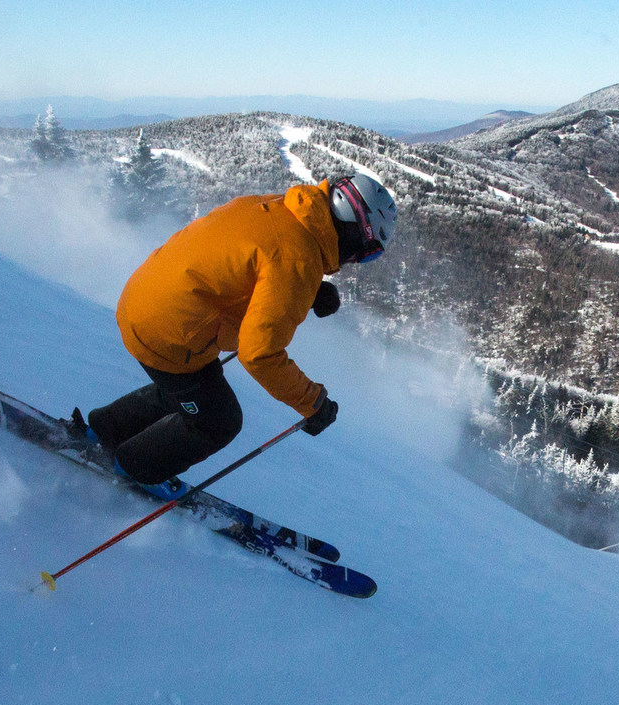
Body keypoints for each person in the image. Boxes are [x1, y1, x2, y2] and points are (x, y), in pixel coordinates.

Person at [70, 173, 398, 496]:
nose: (357, 261)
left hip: (142, 300)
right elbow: (260, 355)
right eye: (368, 252)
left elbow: (251, 262)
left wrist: (309, 289)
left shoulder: (282, 208)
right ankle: (135, 468)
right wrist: (312, 403)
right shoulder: (297, 260)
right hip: (167, 333)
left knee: (194, 390)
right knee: (219, 419)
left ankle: (106, 430)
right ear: (354, 233)